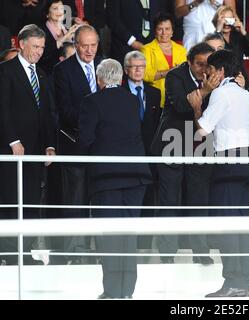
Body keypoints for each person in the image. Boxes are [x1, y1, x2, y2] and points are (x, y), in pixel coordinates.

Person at [79, 59, 152, 299]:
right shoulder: (132, 100)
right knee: (128, 236)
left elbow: (86, 140)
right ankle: (126, 291)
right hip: (135, 177)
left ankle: (112, 292)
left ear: (99, 79)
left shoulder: (92, 101)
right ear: (121, 78)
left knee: (109, 237)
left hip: (107, 178)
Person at [188, 49, 249, 298]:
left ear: (222, 71)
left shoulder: (221, 94)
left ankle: (233, 282)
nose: (208, 74)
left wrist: (196, 107)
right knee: (240, 224)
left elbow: (202, 131)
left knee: (228, 223)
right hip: (246, 158)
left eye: (211, 70)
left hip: (228, 160)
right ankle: (242, 283)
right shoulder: (245, 94)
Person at [150, 42, 218, 265]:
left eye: (208, 64)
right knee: (170, 198)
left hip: (201, 143)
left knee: (199, 198)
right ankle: (167, 252)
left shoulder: (216, 75)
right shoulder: (175, 76)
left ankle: (201, 250)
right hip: (173, 141)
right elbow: (180, 105)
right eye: (199, 64)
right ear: (189, 61)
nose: (203, 69)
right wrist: (206, 91)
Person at [0, 24, 56, 265]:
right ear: (21, 44)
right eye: (35, 46)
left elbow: (49, 113)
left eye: (42, 48)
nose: (39, 52)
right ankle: (11, 254)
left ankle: (26, 251)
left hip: (35, 152)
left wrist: (50, 145)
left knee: (31, 201)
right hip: (11, 150)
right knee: (13, 200)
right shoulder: (5, 71)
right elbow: (2, 110)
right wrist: (13, 140)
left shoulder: (42, 74)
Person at [52, 24, 101, 264]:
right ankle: (74, 250)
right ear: (76, 44)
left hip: (102, 147)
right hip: (76, 144)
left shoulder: (105, 66)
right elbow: (65, 111)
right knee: (75, 197)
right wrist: (94, 121)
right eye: (84, 45)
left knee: (100, 199)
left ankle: (98, 248)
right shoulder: (63, 70)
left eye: (93, 45)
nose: (89, 50)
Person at [122, 50, 161, 235]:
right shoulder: (119, 92)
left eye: (142, 67)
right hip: (127, 153)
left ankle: (145, 242)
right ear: (126, 69)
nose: (138, 70)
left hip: (150, 154)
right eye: (134, 66)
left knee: (148, 197)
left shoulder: (154, 92)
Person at [141, 12, 187, 107]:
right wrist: (169, 72)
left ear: (172, 31)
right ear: (155, 31)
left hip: (179, 98)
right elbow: (145, 74)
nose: (164, 33)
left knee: (187, 122)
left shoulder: (182, 50)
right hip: (157, 100)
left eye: (167, 29)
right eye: (160, 29)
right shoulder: (146, 49)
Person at [212, 5, 249, 86]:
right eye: (224, 19)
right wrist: (218, 30)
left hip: (240, 78)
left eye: (229, 19)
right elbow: (214, 55)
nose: (226, 23)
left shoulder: (238, 37)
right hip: (221, 79)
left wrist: (244, 32)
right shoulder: (213, 37)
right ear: (218, 20)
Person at [39, 0, 79, 74]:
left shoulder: (68, 29)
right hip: (50, 73)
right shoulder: (41, 31)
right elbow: (43, 54)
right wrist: (65, 38)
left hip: (70, 72)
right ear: (47, 13)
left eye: (61, 8)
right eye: (55, 8)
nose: (59, 11)